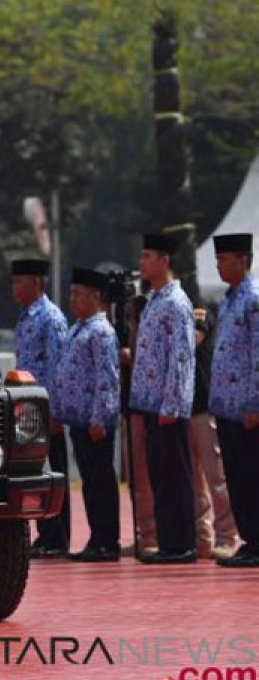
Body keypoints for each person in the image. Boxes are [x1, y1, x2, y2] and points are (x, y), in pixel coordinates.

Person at [130, 233, 197, 564]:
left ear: (164, 261)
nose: (141, 262)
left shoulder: (176, 302)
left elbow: (181, 357)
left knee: (175, 476)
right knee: (160, 477)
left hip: (167, 408)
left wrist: (172, 404)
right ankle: (170, 542)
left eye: (146, 256)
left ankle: (182, 545)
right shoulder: (154, 300)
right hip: (151, 405)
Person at [52, 268, 121, 562]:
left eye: (78, 294)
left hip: (95, 421)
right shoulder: (77, 328)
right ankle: (96, 538)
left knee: (101, 481)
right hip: (78, 419)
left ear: (96, 297)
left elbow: (108, 378)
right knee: (90, 482)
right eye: (71, 294)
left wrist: (99, 417)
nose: (73, 300)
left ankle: (107, 541)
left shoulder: (101, 332)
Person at [11, 258, 70, 558]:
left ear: (35, 283)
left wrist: (57, 411)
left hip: (47, 410)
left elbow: (60, 368)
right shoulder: (26, 317)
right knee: (36, 472)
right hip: (29, 411)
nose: (14, 288)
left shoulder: (51, 318)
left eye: (19, 282)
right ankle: (45, 535)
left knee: (54, 471)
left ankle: (58, 537)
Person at [209, 233, 259, 568]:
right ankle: (250, 540)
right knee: (237, 477)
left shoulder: (253, 299)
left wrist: (256, 403)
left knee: (252, 475)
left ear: (244, 260)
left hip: (247, 407)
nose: (218, 264)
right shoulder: (228, 299)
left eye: (224, 259)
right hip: (226, 406)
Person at [189, 307, 238, 559]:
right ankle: (202, 538)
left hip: (205, 408)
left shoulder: (200, 312)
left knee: (216, 477)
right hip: (184, 408)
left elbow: (194, 338)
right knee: (194, 481)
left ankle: (227, 536)